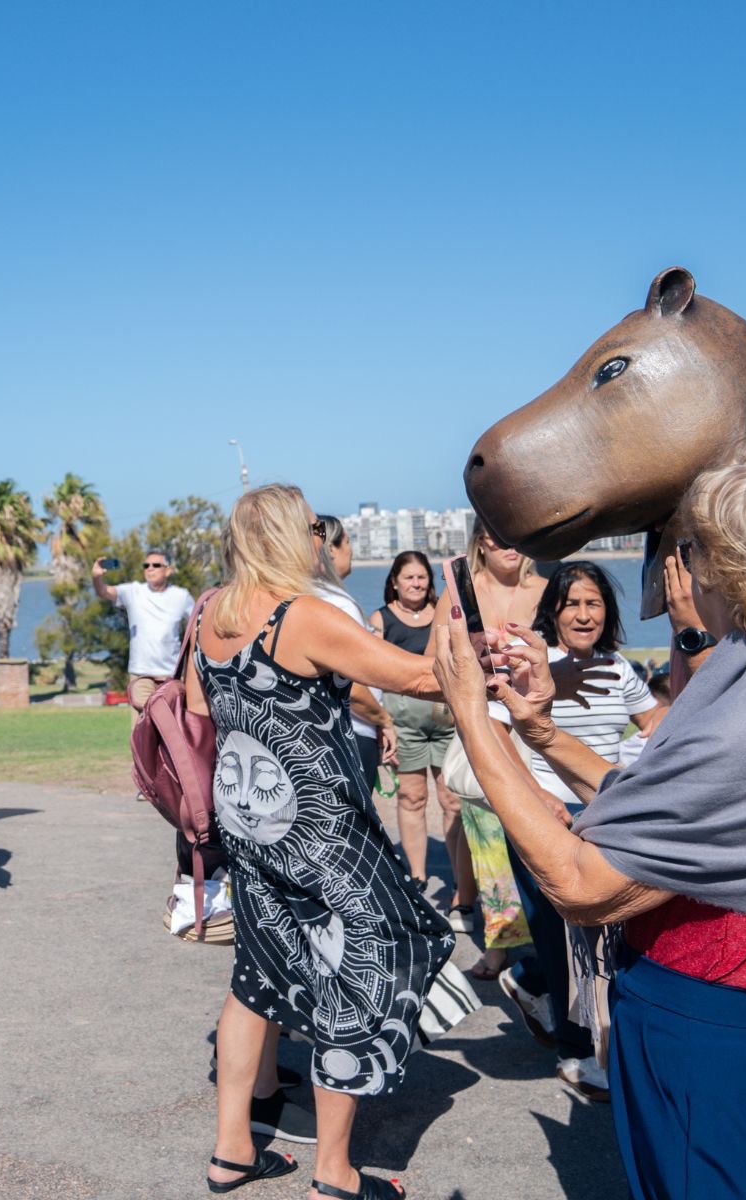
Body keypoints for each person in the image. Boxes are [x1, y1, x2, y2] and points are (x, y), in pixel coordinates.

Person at [437, 438, 746, 1200]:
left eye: (690, 549)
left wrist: (471, 716)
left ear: (730, 568)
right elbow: (678, 800)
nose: (680, 571)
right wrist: (542, 731)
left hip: (716, 1038)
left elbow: (580, 884)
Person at [191, 484, 454, 1200]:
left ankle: (231, 1152)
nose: (319, 537)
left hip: (250, 821)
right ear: (287, 535)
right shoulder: (300, 615)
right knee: (364, 963)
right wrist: (464, 630)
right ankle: (334, 1175)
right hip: (320, 825)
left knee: (256, 973)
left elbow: (195, 704)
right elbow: (418, 676)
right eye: (313, 527)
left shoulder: (210, 611)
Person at [494, 561, 665, 1101]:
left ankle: (531, 979)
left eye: (594, 604)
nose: (584, 615)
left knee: (599, 933)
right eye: (573, 604)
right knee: (560, 933)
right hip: (546, 814)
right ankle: (576, 1054)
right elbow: (495, 730)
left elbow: (653, 720)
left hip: (604, 814)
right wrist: (537, 794)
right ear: (554, 611)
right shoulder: (534, 662)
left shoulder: (618, 668)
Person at [369, 550, 478, 932]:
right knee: (411, 798)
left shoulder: (443, 613)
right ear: (395, 582)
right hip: (404, 723)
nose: (416, 584)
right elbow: (372, 673)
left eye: (422, 577)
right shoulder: (380, 620)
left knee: (452, 799)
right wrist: (382, 722)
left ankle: (461, 885)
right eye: (409, 577)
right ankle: (416, 876)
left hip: (446, 720)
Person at [455, 528, 545, 979]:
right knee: (488, 837)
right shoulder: (462, 592)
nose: (509, 546)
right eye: (496, 536)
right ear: (481, 542)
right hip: (484, 725)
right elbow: (439, 660)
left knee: (539, 833)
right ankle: (500, 942)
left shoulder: (546, 589)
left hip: (537, 727)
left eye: (514, 534)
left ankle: (547, 935)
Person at [314, 516, 399, 774]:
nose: (351, 550)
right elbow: (350, 683)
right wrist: (383, 719)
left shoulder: (309, 597)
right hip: (354, 731)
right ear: (331, 549)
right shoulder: (338, 605)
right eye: (348, 542)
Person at [94, 548, 195, 712]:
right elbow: (103, 592)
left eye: (156, 565)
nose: (150, 569)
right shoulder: (133, 591)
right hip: (141, 676)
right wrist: (96, 577)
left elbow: (197, 626)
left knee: (172, 724)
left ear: (168, 570)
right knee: (143, 726)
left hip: (172, 675)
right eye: (146, 565)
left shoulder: (182, 596)